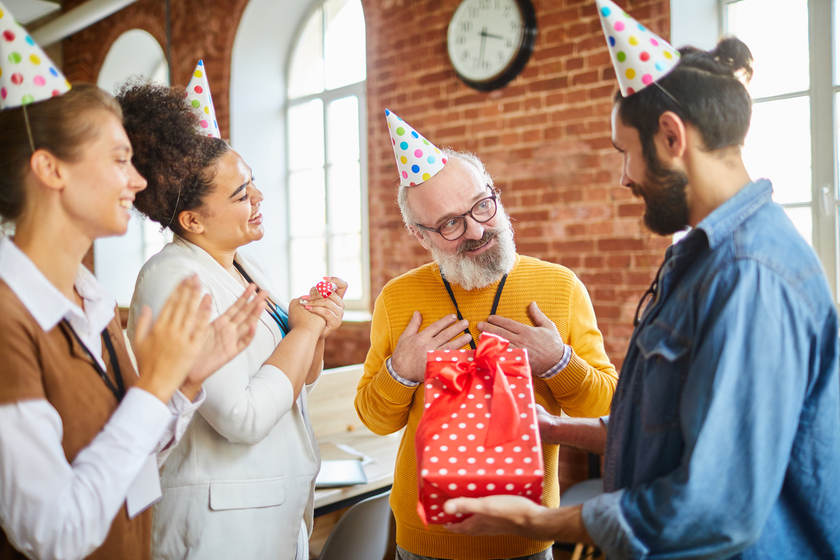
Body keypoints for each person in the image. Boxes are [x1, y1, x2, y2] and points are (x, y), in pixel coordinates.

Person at [442, 4, 840, 559]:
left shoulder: (750, 275)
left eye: (625, 153)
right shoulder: (701, 259)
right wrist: (555, 428)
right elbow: (669, 430)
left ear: (671, 136)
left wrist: (539, 521)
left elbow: (716, 507)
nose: (624, 177)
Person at [0, 15, 263, 559]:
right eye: (120, 160)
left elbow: (130, 466)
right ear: (50, 169)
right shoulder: (8, 321)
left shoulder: (92, 301)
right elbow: (53, 534)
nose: (138, 181)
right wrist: (154, 385)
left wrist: (182, 384)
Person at [355, 110, 618, 560]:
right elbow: (375, 420)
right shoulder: (397, 299)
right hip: (424, 540)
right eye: (450, 224)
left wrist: (558, 362)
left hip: (526, 536)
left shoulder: (561, 287)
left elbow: (604, 407)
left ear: (494, 193)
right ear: (420, 235)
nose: (477, 230)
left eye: (482, 205)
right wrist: (401, 371)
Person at [117, 80, 346, 560]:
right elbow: (242, 417)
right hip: (221, 528)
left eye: (252, 182)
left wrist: (315, 330)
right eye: (242, 194)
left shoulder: (245, 265)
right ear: (193, 221)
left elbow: (300, 381)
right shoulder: (173, 279)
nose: (259, 196)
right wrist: (304, 331)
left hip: (273, 512)